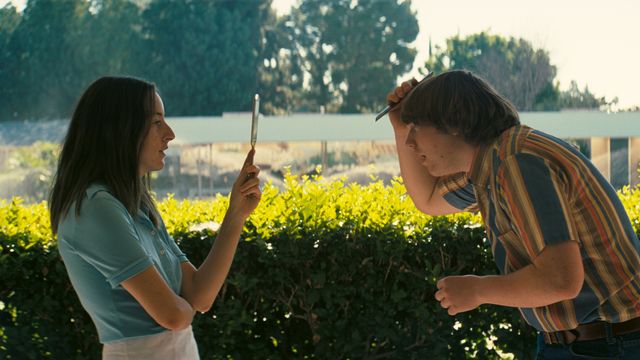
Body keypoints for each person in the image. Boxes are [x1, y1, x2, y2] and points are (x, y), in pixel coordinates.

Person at [385, 70, 640, 359]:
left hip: (605, 346)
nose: (410, 142)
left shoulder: (516, 163)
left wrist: (477, 290)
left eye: (416, 126)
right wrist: (399, 126)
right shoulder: (492, 164)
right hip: (590, 342)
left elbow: (561, 280)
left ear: (453, 121)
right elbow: (429, 199)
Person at [49, 76, 261, 359]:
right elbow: (173, 316)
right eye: (157, 122)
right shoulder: (95, 208)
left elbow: (200, 295)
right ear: (120, 129)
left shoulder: (135, 204)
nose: (170, 133)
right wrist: (185, 311)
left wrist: (236, 214)